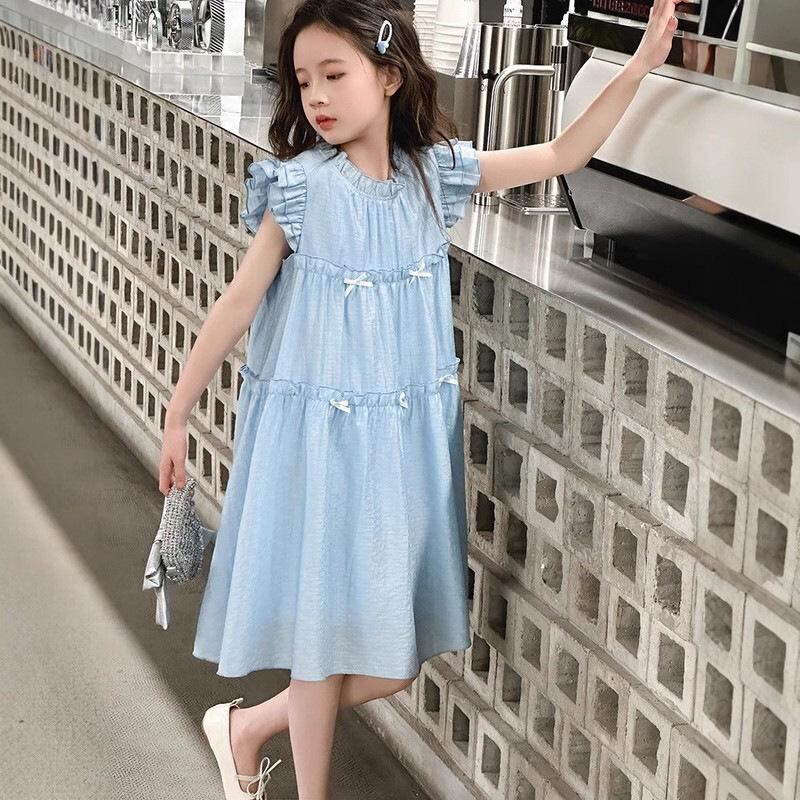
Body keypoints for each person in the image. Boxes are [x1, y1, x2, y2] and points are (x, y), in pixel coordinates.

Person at [157, 0, 679, 797]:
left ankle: (248, 728)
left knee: (394, 661)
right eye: (304, 81)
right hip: (322, 442)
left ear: (390, 76)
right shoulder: (300, 189)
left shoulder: (436, 178)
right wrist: (178, 412)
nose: (316, 96)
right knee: (324, 647)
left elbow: (564, 153)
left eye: (335, 74)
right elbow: (237, 303)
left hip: (399, 447)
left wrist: (638, 65)